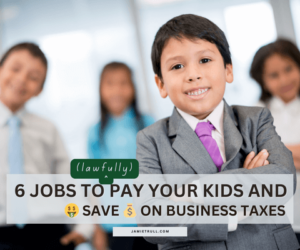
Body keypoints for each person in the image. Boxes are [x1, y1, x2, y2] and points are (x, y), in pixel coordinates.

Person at [136, 14, 299, 250]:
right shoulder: (150, 140)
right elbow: (152, 221)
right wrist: (238, 205)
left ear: (228, 71)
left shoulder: (255, 119)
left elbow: (282, 180)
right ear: (161, 84)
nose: (193, 74)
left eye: (204, 60)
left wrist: (191, 192)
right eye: (177, 66)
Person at [0, 42, 93, 249]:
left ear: (40, 89)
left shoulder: (47, 129)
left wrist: (83, 227)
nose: (21, 79)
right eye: (15, 69)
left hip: (49, 232)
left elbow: (68, 179)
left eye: (33, 77)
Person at [87, 62, 156, 250]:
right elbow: (93, 184)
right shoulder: (94, 133)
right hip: (114, 224)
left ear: (133, 88)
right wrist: (97, 230)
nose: (117, 90)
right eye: (110, 83)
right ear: (100, 89)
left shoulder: (150, 124)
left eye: (123, 83)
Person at [250, 38, 300, 244]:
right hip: (281, 218)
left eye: (288, 69)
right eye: (273, 75)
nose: (284, 79)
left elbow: (270, 157)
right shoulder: (254, 113)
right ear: (262, 80)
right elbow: (257, 163)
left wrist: (278, 154)